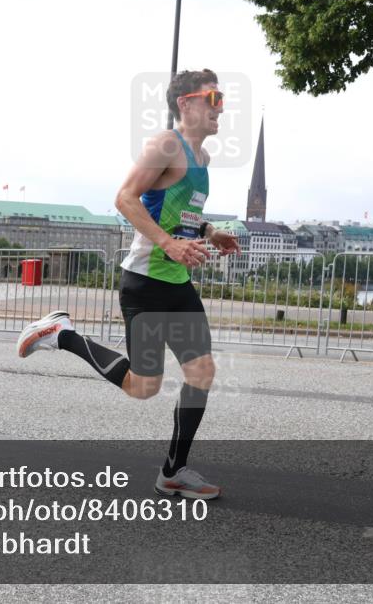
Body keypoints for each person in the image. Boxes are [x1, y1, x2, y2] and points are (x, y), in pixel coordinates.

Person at [17, 69, 240, 500]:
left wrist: (209, 232)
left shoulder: (204, 160)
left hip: (178, 283)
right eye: (213, 98)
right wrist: (167, 244)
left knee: (202, 371)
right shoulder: (165, 145)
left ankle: (173, 472)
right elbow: (125, 198)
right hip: (146, 281)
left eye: (223, 99)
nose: (221, 108)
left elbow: (182, 214)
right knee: (144, 387)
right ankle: (62, 335)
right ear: (186, 103)